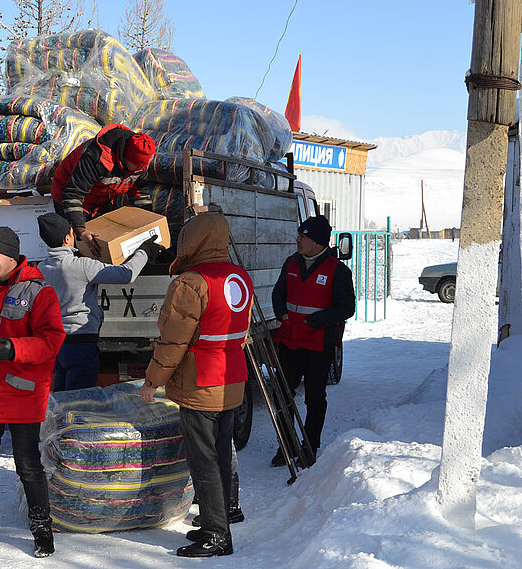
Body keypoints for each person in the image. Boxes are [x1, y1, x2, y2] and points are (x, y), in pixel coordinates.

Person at [138, 212, 253, 558]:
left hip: (200, 383)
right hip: (232, 379)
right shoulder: (240, 276)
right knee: (219, 455)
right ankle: (215, 524)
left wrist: (152, 381)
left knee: (203, 461)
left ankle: (216, 536)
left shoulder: (191, 282)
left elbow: (172, 342)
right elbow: (242, 333)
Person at [0, 226, 65, 558]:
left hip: (21, 395)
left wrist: (16, 349)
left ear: (9, 255)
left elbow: (52, 340)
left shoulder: (39, 292)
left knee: (28, 465)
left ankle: (41, 531)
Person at [36, 211, 157, 391]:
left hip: (56, 343)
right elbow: (127, 274)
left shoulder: (41, 268)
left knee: (62, 398)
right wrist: (145, 251)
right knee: (81, 400)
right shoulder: (82, 266)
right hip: (81, 341)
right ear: (68, 238)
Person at [270, 215, 355, 465]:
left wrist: (317, 320)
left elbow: (346, 308)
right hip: (289, 341)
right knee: (282, 395)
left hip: (319, 345)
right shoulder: (291, 263)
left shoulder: (337, 270)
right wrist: (281, 313)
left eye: (303, 236)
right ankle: (285, 446)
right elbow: (278, 293)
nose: (298, 240)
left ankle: (310, 447)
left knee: (314, 398)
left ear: (317, 242)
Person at [50, 124, 156, 253]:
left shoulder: (139, 164)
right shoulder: (96, 157)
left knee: (106, 245)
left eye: (142, 167)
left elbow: (140, 193)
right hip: (69, 195)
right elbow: (73, 194)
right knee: (82, 248)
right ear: (126, 157)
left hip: (104, 197)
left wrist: (150, 221)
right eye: (136, 166)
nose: (139, 170)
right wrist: (80, 231)